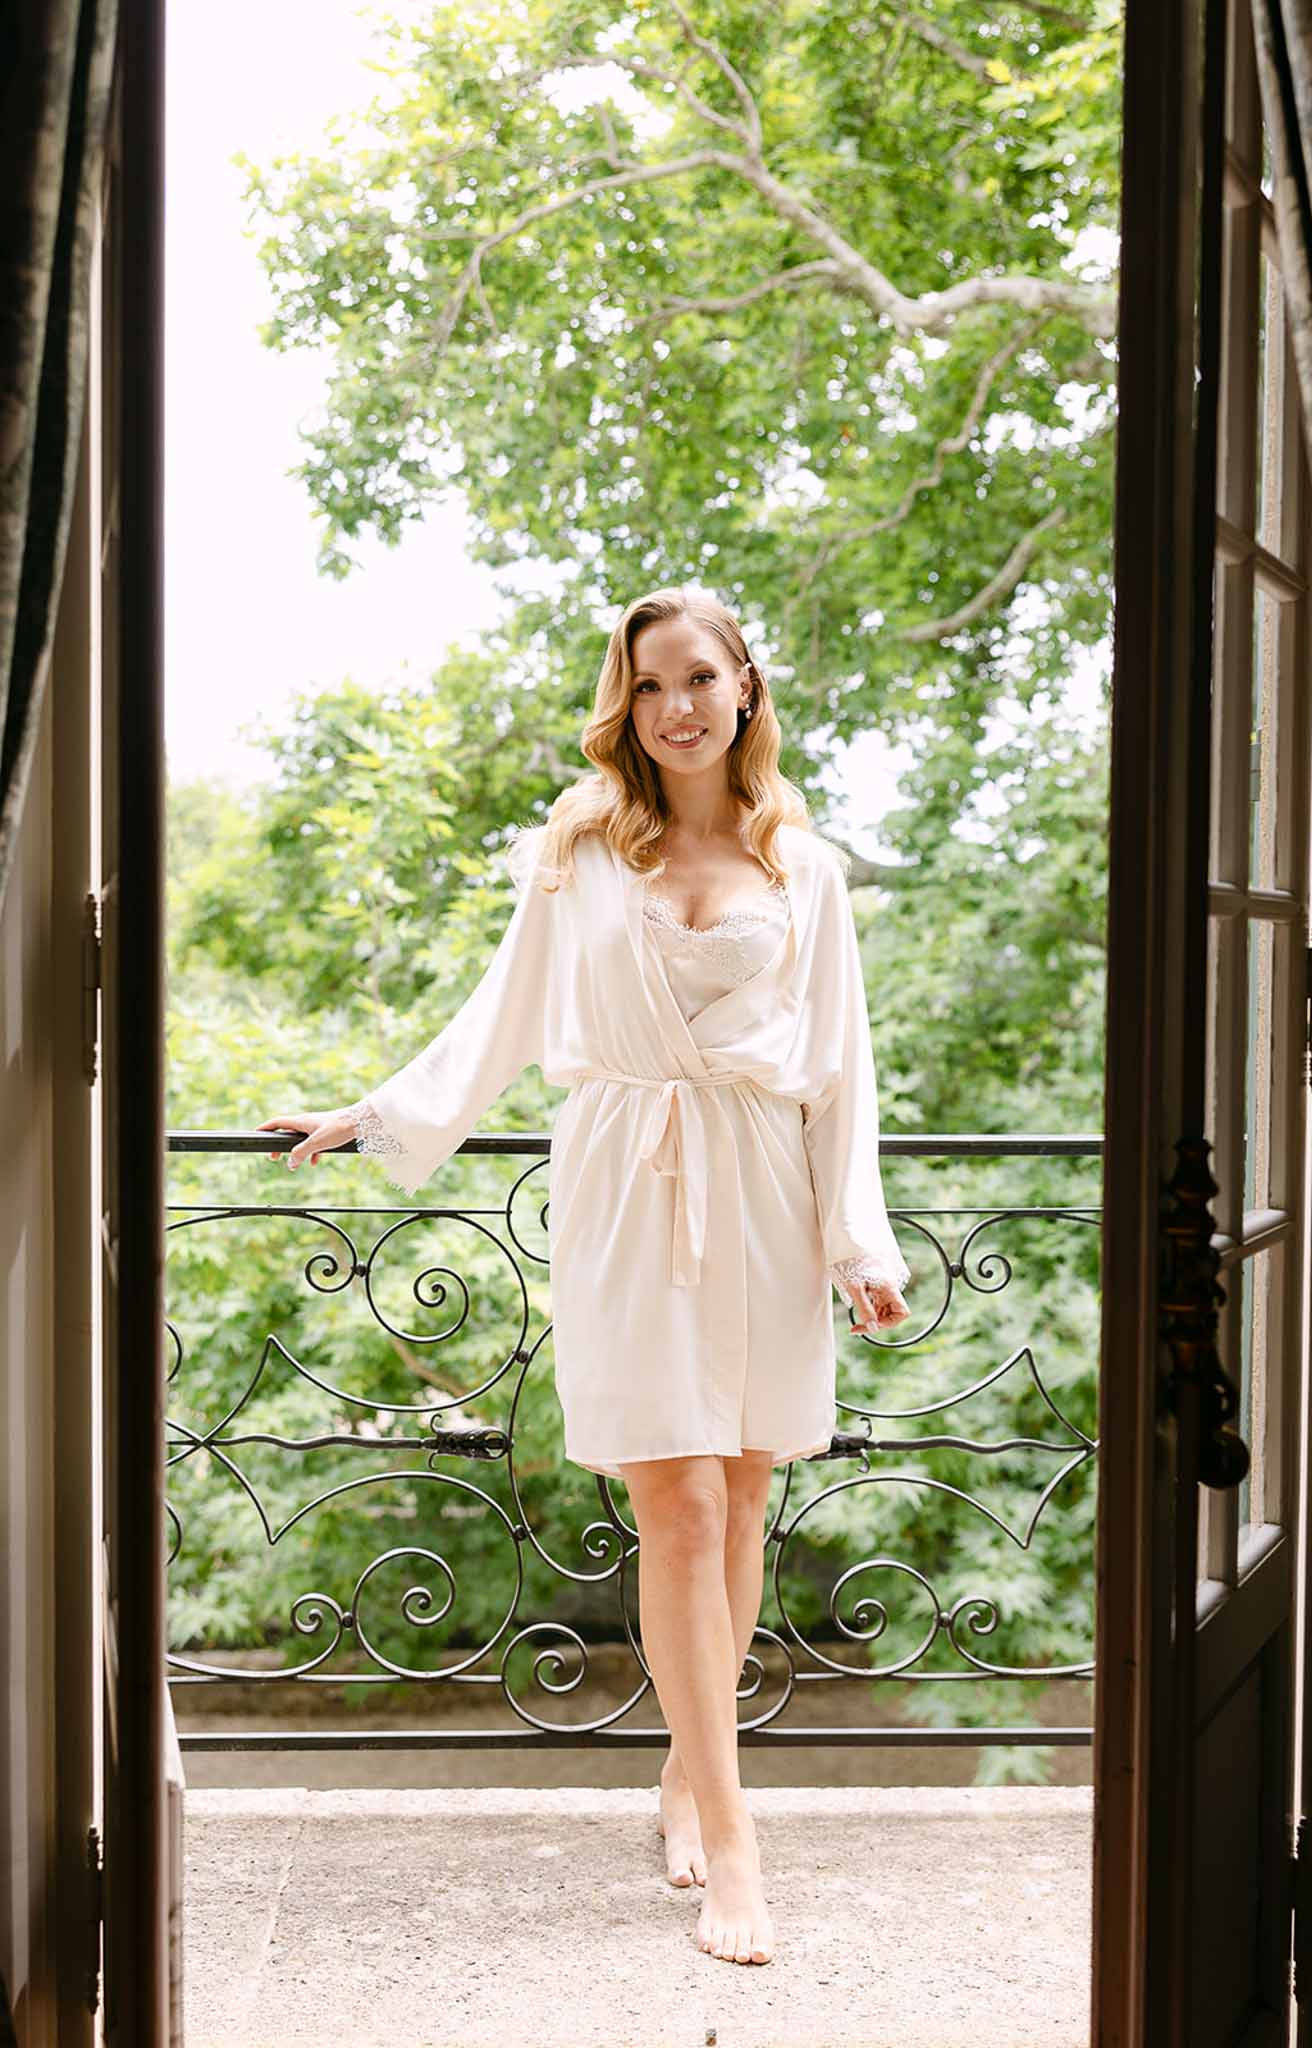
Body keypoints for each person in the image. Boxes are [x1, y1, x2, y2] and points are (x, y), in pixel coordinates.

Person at [257, 585, 911, 1967]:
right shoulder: (577, 846)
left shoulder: (808, 861)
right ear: (627, 705)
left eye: (697, 678)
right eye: (648, 684)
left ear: (745, 686)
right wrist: (374, 1116)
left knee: (739, 1499)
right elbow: (498, 1011)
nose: (674, 707)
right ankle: (737, 1846)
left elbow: (841, 1064)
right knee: (672, 1502)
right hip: (624, 1183)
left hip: (761, 1193)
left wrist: (857, 1240)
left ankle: (689, 1772)